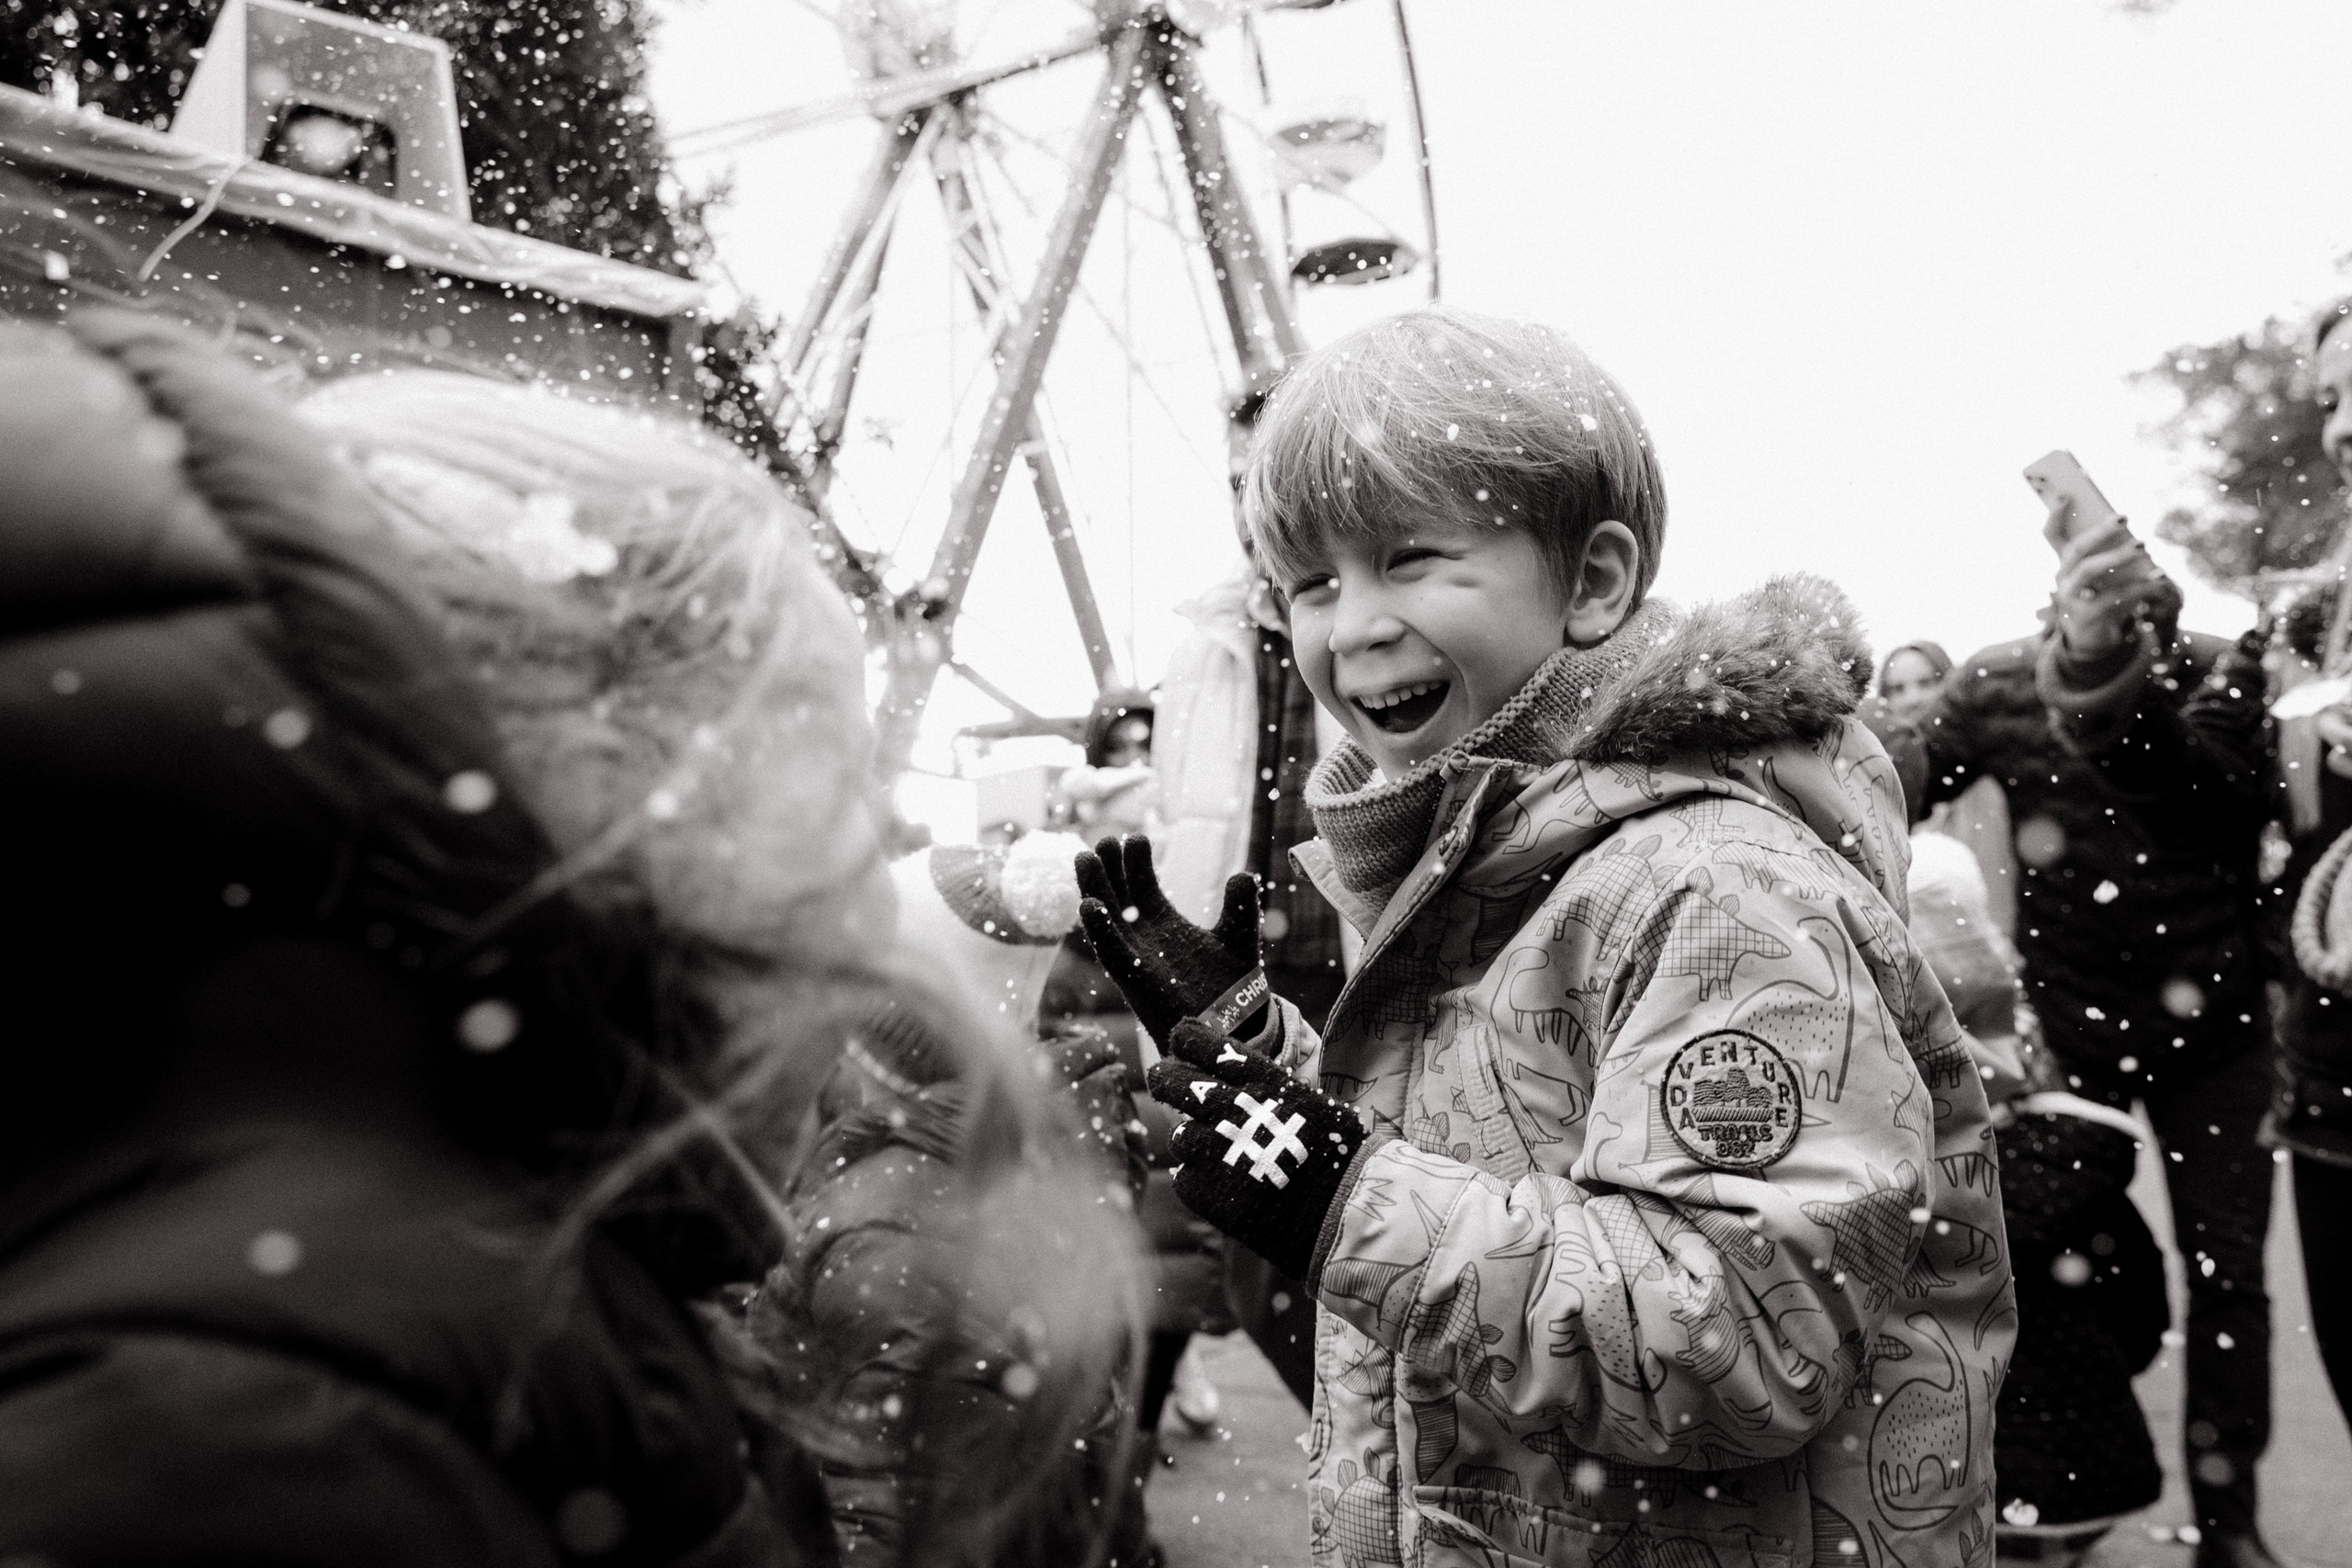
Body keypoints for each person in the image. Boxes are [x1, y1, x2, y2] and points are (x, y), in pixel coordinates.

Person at [0, 313, 1138, 1566]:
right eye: (842, 825)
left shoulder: (365, 1280)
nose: (875, 931)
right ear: (634, 813)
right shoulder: (332, 1403)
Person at [1075, 307, 2013, 1567]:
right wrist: (1264, 1061)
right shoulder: (1490, 860)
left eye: (1409, 556)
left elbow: (1746, 1333)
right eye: (1308, 582)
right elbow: (1488, 1151)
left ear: (1595, 580)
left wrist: (1339, 1193)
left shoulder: (1715, 889)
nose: (1349, 623)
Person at [1919, 475, 2279, 1566]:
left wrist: (2116, 677)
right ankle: (2044, 1496)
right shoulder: (1992, 684)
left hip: (2219, 1038)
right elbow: (1877, 785)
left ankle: (2230, 1524)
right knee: (2044, 1260)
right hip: (2071, 1031)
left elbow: (2218, 794)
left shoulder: (2223, 673)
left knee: (2230, 1280)